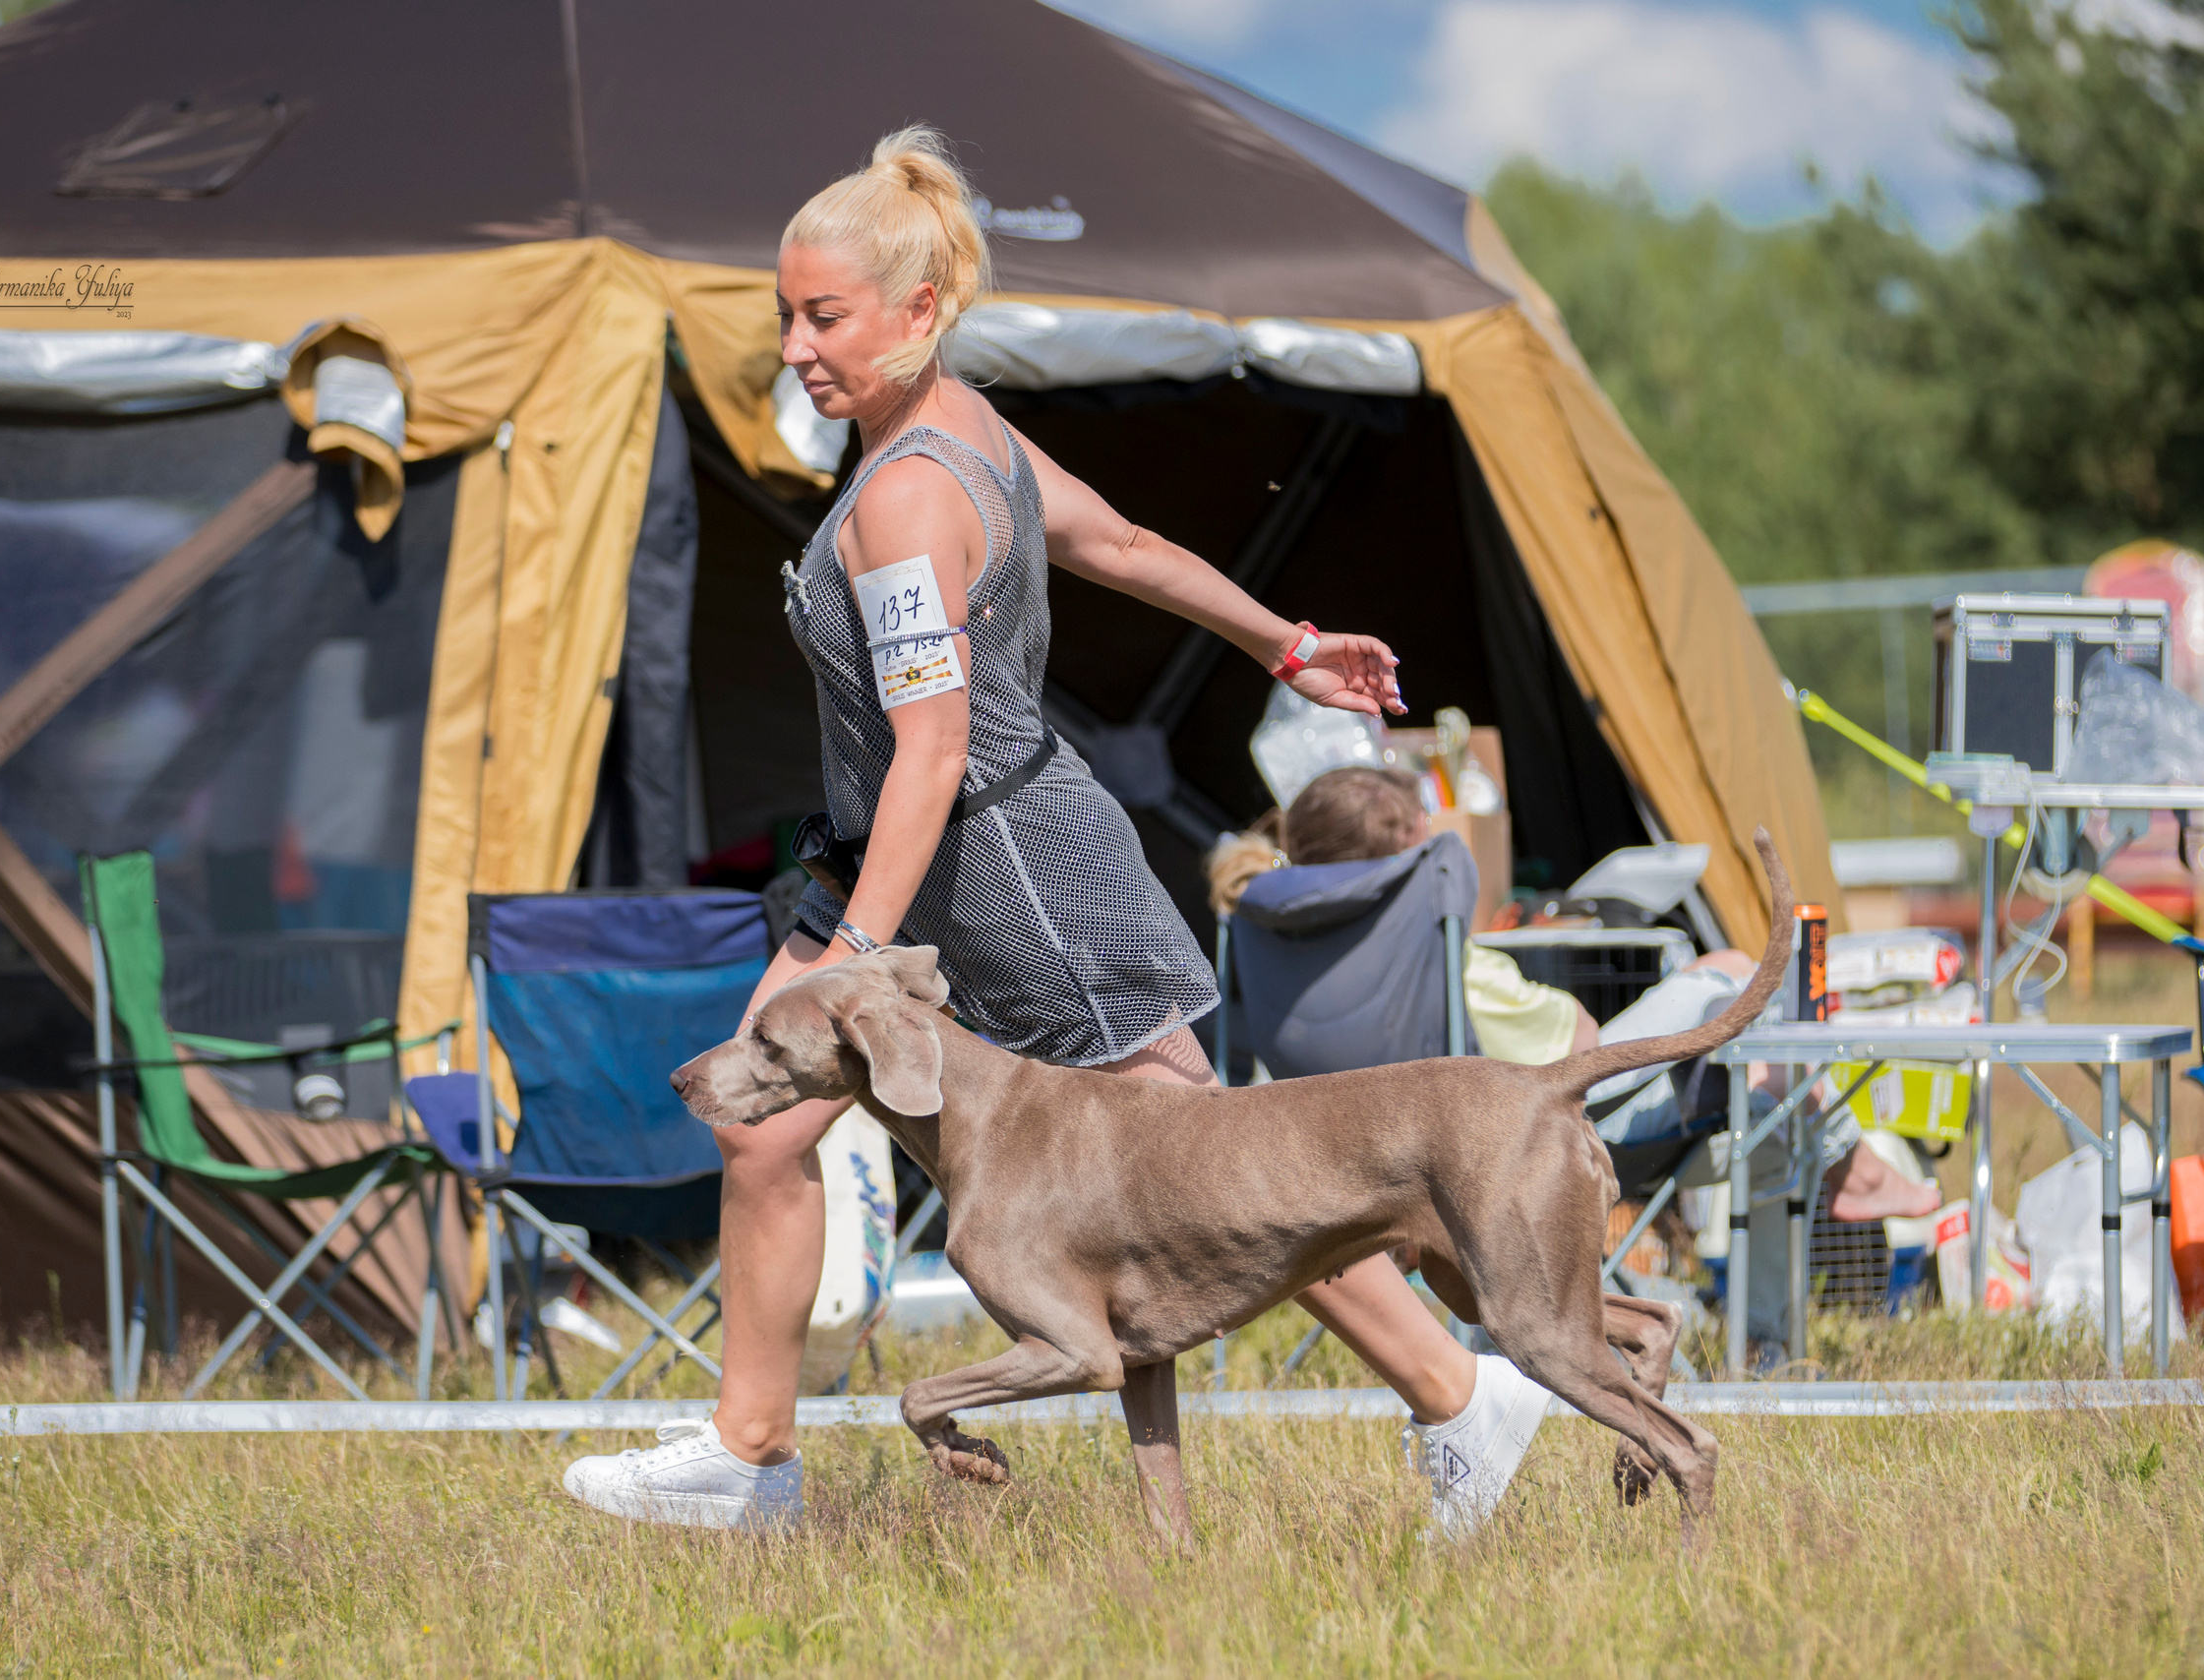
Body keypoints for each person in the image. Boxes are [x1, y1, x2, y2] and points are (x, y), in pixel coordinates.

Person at [561, 128, 1550, 1534]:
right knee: (762, 1125)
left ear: (917, 312)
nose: (793, 347)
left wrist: (855, 958)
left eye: (823, 316)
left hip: (1020, 879)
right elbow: (1122, 547)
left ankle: (1461, 1397)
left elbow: (935, 746)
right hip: (905, 859)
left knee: (1221, 1176)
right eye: (783, 314)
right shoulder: (956, 428)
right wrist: (1287, 643)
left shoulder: (911, 492)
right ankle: (751, 1454)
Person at [1211, 767, 1943, 1226]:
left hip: (1360, 1178)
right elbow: (1579, 1044)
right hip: (1522, 1154)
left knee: (1764, 1084)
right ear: (1408, 857)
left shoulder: (1270, 942)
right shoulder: (1441, 965)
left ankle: (1843, 1170)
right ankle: (1851, 1171)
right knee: (1725, 983)